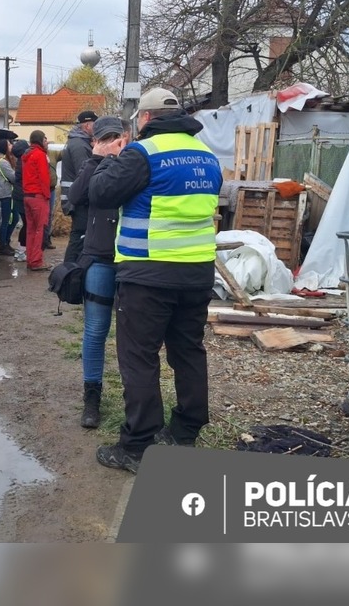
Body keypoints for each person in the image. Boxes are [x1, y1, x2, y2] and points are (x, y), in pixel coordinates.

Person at [87, 88, 223, 473]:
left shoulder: (143, 153)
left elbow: (101, 194)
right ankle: (184, 431)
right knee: (188, 352)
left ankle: (139, 446)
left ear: (144, 120)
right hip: (197, 272)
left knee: (139, 358)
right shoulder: (208, 157)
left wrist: (106, 160)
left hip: (148, 275)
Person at [67, 115, 126, 429]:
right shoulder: (92, 165)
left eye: (115, 137)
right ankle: (92, 398)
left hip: (133, 260)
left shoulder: (134, 163)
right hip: (100, 259)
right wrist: (96, 158)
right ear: (95, 142)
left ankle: (137, 399)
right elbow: (75, 198)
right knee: (95, 332)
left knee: (132, 337)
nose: (111, 143)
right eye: (104, 138)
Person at [59, 110, 97, 264]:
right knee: (78, 236)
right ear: (87, 125)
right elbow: (85, 174)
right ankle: (69, 272)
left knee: (78, 236)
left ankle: (71, 270)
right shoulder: (79, 145)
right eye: (95, 124)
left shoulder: (77, 142)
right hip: (78, 200)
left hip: (76, 198)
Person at [21, 130, 52, 272]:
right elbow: (44, 178)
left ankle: (30, 258)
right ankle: (36, 261)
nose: (46, 141)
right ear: (40, 140)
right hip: (38, 197)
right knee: (40, 229)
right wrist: (47, 196)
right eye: (45, 139)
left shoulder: (26, 155)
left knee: (31, 230)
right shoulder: (40, 155)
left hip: (27, 196)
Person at [0, 138, 19, 256]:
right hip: (6, 195)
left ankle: (6, 242)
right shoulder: (3, 163)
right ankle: (3, 245)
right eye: (9, 144)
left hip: (10, 194)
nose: (11, 146)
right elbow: (14, 178)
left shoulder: (7, 161)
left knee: (14, 219)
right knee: (7, 220)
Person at [11, 139, 30, 260]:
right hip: (22, 196)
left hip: (18, 195)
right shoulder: (23, 162)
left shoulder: (19, 161)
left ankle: (21, 249)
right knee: (27, 224)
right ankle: (21, 250)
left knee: (26, 223)